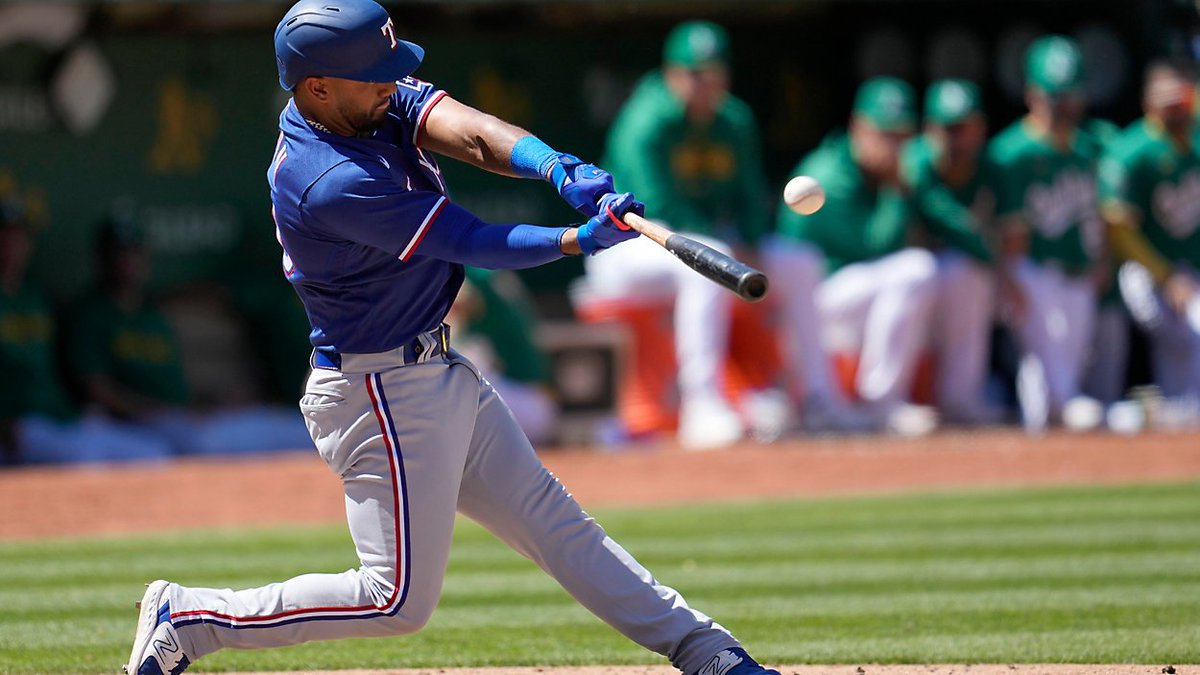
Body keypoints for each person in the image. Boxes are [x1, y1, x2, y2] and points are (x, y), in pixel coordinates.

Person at [123, 3, 780, 675]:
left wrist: (557, 167)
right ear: (317, 86)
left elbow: (471, 134)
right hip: (375, 390)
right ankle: (191, 618)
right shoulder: (326, 178)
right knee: (396, 600)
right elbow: (469, 238)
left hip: (432, 369)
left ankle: (706, 649)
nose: (391, 84)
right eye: (374, 76)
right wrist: (576, 239)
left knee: (557, 526)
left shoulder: (362, 101)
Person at [590, 20, 788, 447]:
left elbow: (751, 195)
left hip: (708, 239)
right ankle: (703, 404)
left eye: (713, 72)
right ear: (672, 74)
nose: (705, 83)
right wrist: (728, 243)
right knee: (709, 259)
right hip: (625, 247)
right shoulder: (645, 121)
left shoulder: (733, 119)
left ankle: (820, 399)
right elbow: (656, 207)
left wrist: (751, 238)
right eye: (694, 74)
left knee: (800, 262)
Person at [770, 77, 939, 436]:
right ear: (859, 128)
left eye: (901, 135)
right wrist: (898, 189)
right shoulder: (829, 177)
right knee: (915, 270)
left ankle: (930, 396)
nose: (894, 146)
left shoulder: (884, 171)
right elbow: (876, 246)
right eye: (884, 134)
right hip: (808, 306)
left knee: (933, 272)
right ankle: (880, 402)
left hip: (852, 294)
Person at [66, 215, 313, 456]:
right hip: (129, 425)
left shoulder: (152, 316)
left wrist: (210, 404)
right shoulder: (91, 315)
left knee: (280, 434)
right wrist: (154, 411)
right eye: (120, 253)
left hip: (181, 419)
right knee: (186, 448)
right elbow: (99, 391)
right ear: (102, 258)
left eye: (135, 252)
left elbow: (179, 389)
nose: (129, 261)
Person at [985, 35, 1107, 432]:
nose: (1061, 106)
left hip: (1079, 269)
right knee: (1048, 358)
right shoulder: (1010, 152)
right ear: (1031, 94)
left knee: (1062, 364)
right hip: (1033, 269)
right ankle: (1064, 408)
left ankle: (1043, 443)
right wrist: (1007, 277)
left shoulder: (1090, 147)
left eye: (1068, 95)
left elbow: (1096, 216)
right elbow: (1008, 233)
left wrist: (1101, 259)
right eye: (1053, 96)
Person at [0, 199, 172, 466]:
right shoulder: (87, 311)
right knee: (83, 461)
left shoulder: (37, 298)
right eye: (4, 235)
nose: (12, 245)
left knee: (152, 454)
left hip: (61, 416)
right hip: (19, 423)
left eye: (17, 236)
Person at [898, 79, 1007, 425]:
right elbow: (946, 217)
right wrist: (995, 258)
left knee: (966, 273)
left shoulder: (990, 165)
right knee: (926, 270)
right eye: (947, 128)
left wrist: (1001, 264)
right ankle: (888, 404)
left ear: (979, 127)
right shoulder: (916, 160)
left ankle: (961, 399)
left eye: (963, 127)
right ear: (930, 129)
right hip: (898, 279)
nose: (955, 137)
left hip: (948, 280)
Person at [1102, 59, 1200, 407]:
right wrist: (1167, 276)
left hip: (1191, 270)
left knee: (1187, 357)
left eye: (1183, 101)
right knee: (1192, 334)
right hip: (1148, 272)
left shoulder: (1195, 136)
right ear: (1149, 103)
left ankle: (1180, 423)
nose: (1178, 110)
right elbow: (1120, 233)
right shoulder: (1130, 151)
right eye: (1168, 103)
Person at [448, 266, 558, 445]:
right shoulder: (485, 268)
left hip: (518, 401)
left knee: (448, 367)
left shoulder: (466, 271)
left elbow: (460, 306)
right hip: (532, 403)